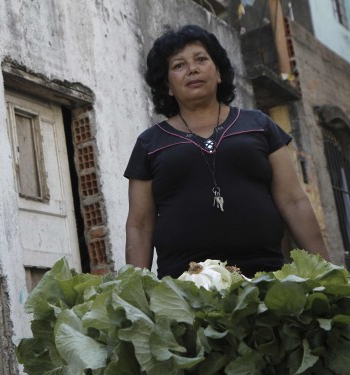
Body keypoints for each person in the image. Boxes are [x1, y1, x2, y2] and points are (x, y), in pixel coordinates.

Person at [124, 24, 329, 278]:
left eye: (201, 59)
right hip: (184, 286)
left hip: (266, 279)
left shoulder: (259, 125)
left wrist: (327, 274)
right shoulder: (150, 143)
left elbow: (293, 200)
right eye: (179, 65)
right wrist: (136, 290)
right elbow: (140, 224)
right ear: (167, 86)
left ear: (219, 73)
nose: (193, 69)